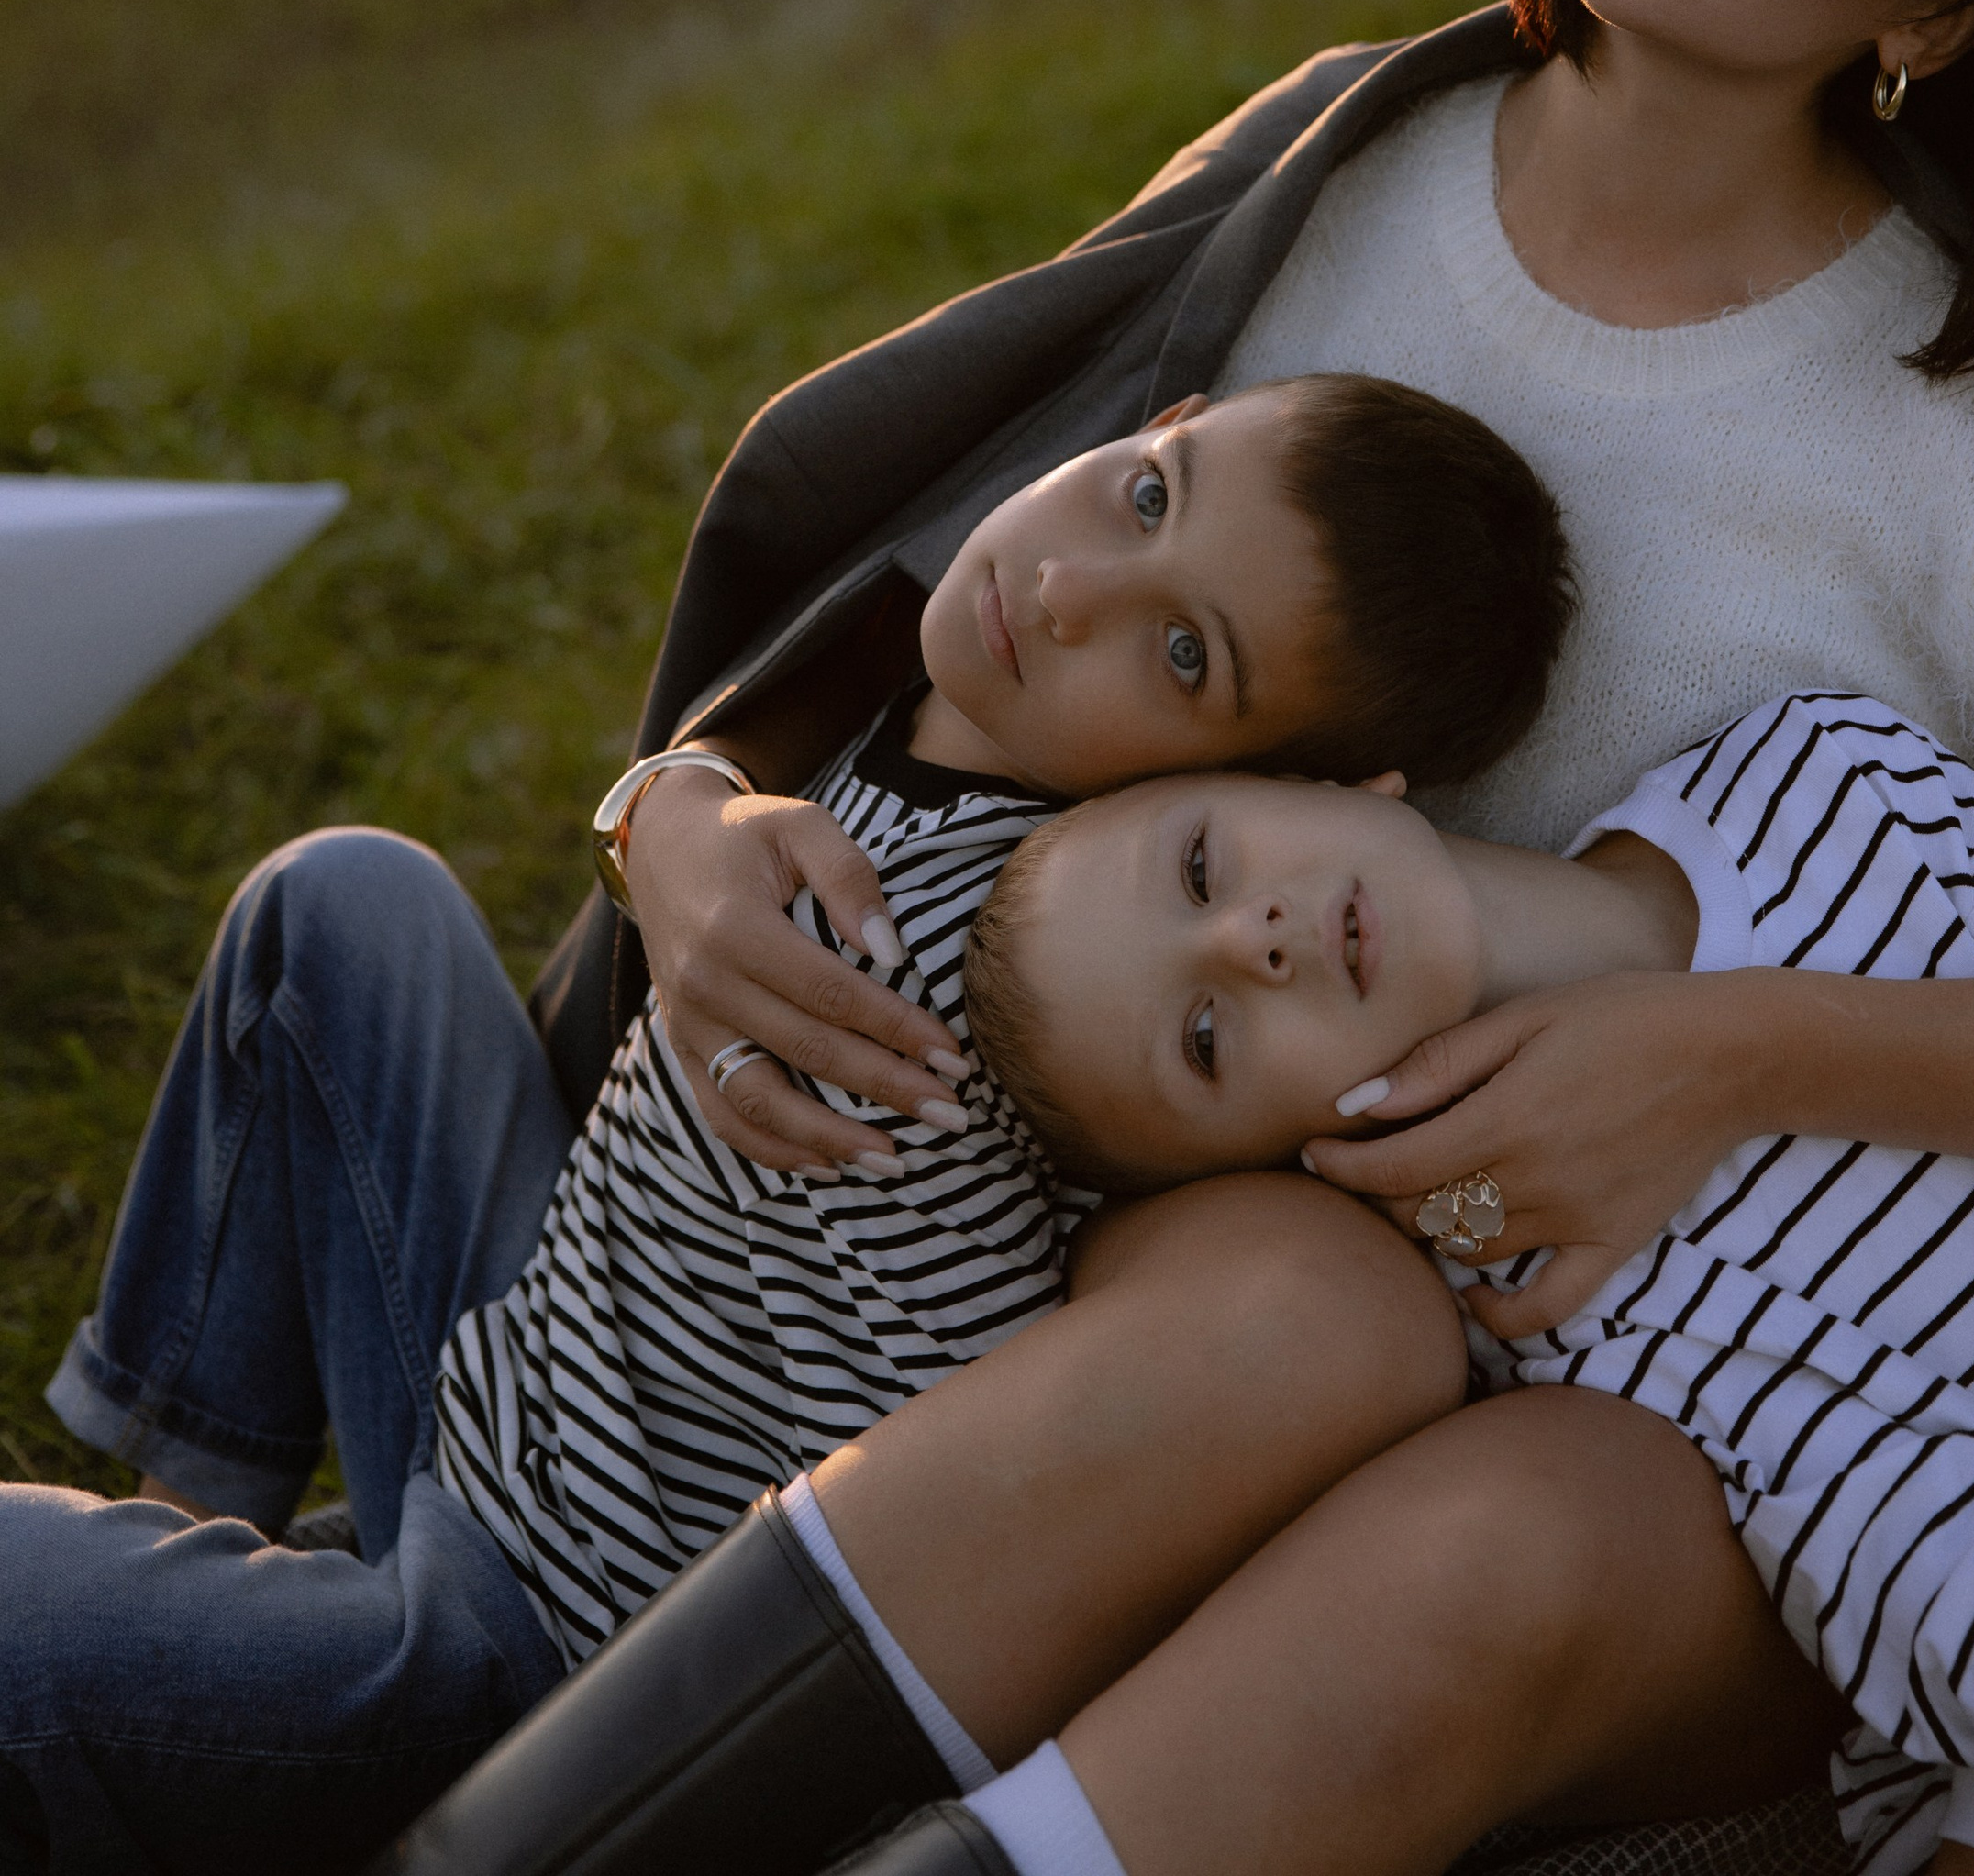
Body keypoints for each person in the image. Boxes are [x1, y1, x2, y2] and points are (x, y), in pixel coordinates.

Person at [482, 0, 1974, 1876]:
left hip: (1756, 1424)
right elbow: (951, 624)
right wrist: (675, 807)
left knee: (1482, 1486)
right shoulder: (1333, 164)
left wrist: (1739, 1050)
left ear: (1945, 3)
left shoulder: (1972, 455)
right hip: (1165, 1242)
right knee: (1303, 1300)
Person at [12, 378, 1564, 1875]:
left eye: (1179, 653)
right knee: (343, 906)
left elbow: (1371, 1172)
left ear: (1258, 782)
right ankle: (202, 1552)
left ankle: (227, 1697)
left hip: (545, 1648)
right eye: (1149, 493)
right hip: (507, 1363)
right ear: (1159, 421)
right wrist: (682, 793)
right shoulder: (928, 691)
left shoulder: (1038, 972)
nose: (1069, 587)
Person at [948, 695, 1974, 1876]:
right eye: (1206, 1038)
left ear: (1325, 776)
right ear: (1292, 1154)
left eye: (1202, 865)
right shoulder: (1526, 1272)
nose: (1247, 941)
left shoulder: (1822, 782)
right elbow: (1922, 1551)